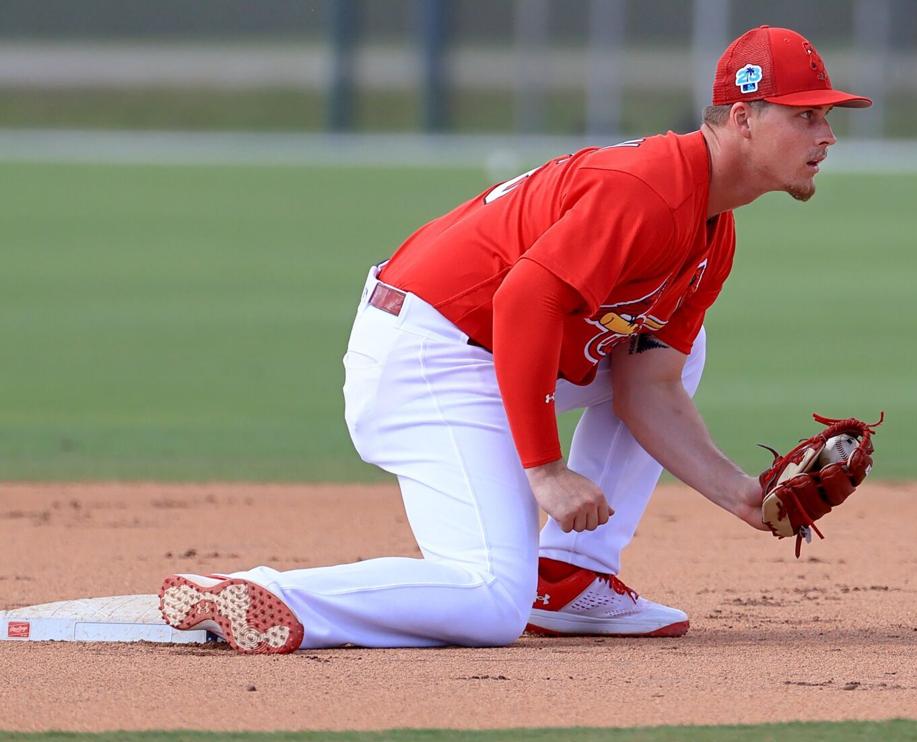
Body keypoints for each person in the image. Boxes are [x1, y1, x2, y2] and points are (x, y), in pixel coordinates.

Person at [158, 25, 872, 653]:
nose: (827, 136)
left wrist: (744, 497)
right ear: (743, 116)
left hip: (480, 344)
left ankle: (571, 576)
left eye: (827, 118)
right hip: (429, 349)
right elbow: (524, 299)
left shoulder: (714, 231)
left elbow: (647, 388)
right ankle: (270, 595)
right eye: (806, 116)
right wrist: (545, 470)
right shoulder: (652, 191)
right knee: (492, 599)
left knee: (670, 349)